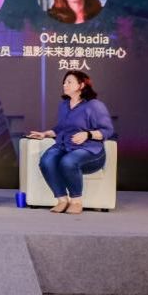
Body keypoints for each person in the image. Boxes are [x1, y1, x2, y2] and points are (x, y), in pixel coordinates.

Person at [27, 70, 114, 214]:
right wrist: (45, 134)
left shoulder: (94, 105)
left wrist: (87, 134)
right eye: (64, 82)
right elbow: (61, 128)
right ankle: (62, 200)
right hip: (65, 146)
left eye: (69, 82)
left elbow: (108, 130)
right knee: (46, 161)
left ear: (81, 85)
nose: (64, 85)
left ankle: (76, 201)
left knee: (68, 161)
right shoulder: (64, 105)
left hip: (90, 150)